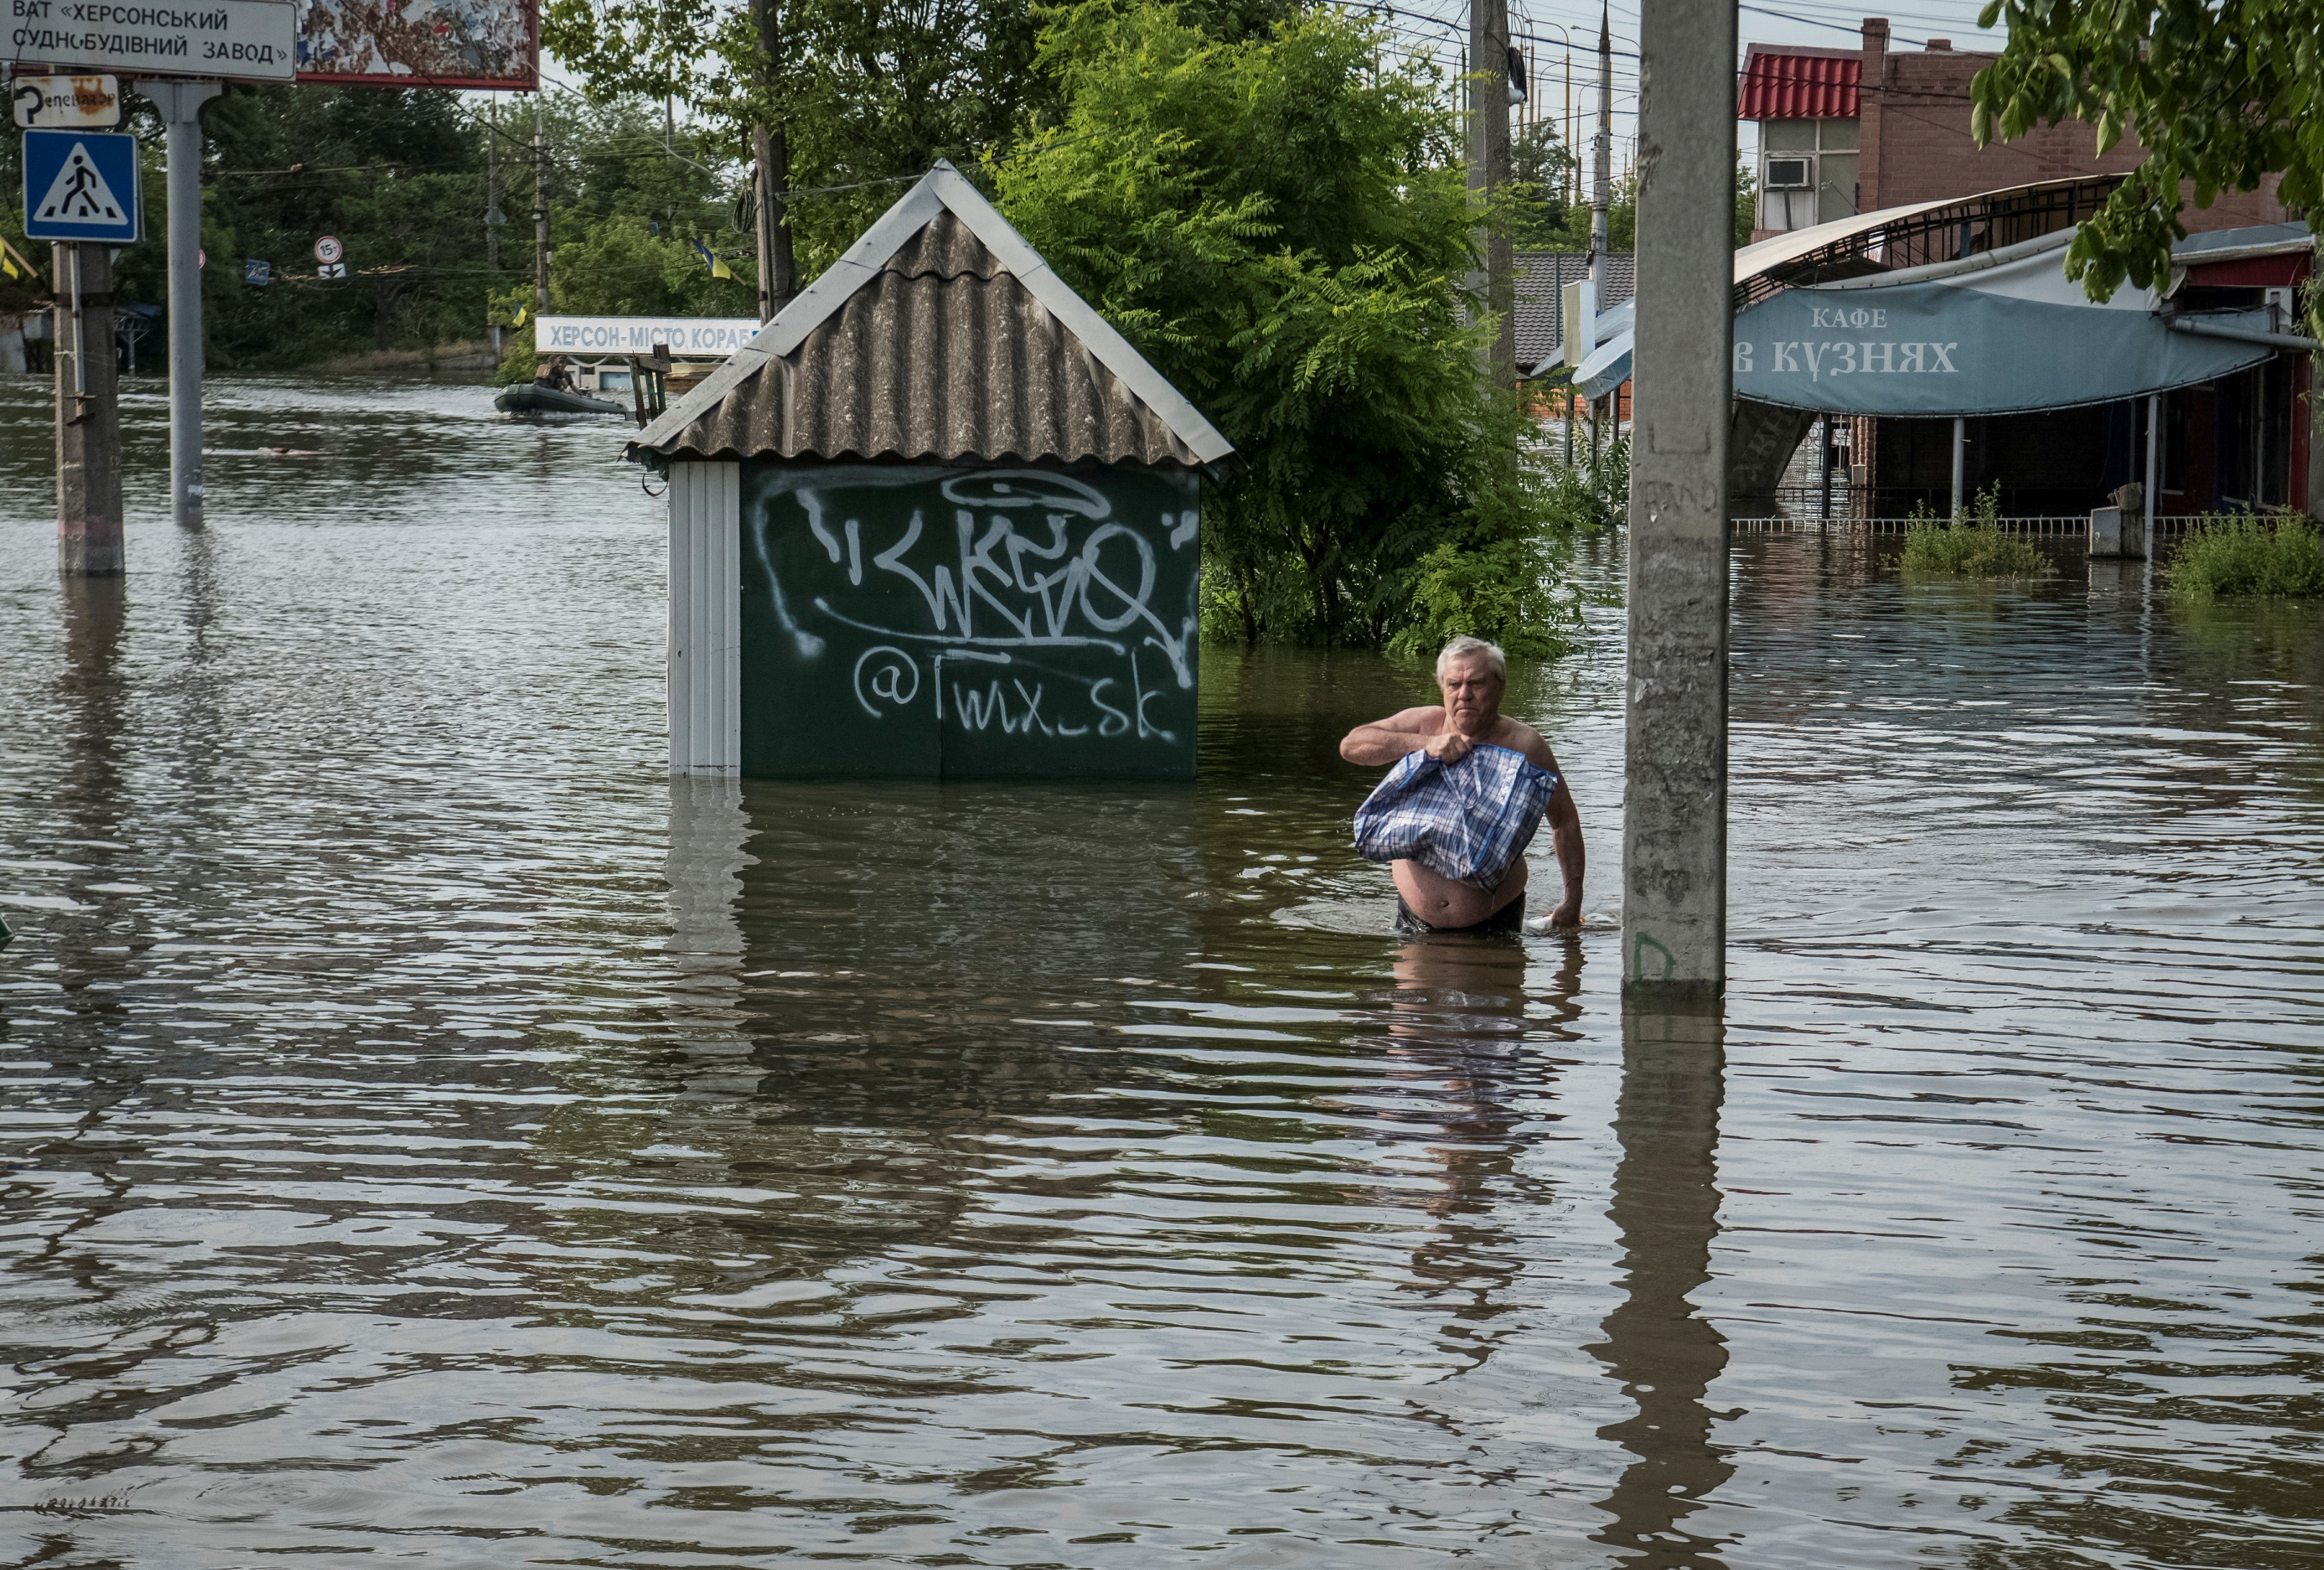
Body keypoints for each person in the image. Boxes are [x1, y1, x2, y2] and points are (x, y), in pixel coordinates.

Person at [1339, 635, 1585, 934]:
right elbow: (1352, 746)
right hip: (1414, 919)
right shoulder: (1424, 724)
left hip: (1497, 920)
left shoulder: (1526, 745)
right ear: (1443, 688)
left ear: (1501, 686)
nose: (1464, 694)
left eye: (1477, 684)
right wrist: (1426, 745)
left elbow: (1565, 822)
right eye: (1454, 684)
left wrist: (1573, 901)